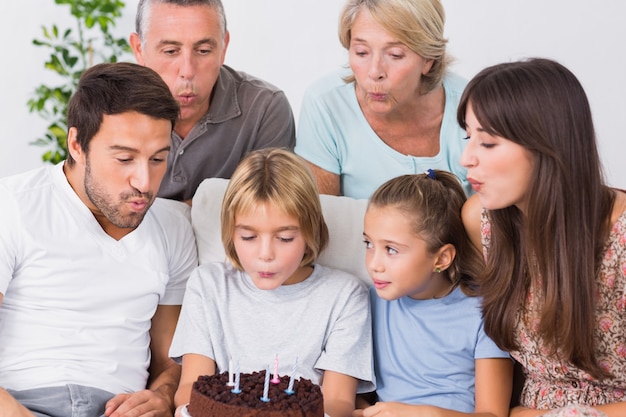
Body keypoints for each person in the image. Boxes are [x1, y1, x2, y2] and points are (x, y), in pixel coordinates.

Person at [0, 62, 198, 417]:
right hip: (21, 404)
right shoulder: (13, 206)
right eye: (124, 158)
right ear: (77, 144)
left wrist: (163, 395)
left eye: (157, 159)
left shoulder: (174, 227)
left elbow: (171, 361)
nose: (144, 182)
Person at [459, 58, 626, 417]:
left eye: (486, 142)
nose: (466, 158)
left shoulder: (621, 239)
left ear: (546, 145)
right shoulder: (481, 221)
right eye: (467, 136)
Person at [169, 148, 374, 417]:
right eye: (248, 237)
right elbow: (189, 389)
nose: (265, 255)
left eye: (285, 238)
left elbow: (338, 403)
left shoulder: (345, 296)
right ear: (231, 233)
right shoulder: (209, 285)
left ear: (310, 231)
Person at [356, 171, 512, 417]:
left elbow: (493, 414)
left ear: (441, 258)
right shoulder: (368, 303)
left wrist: (420, 414)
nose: (374, 263)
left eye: (391, 249)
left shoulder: (485, 312)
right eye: (369, 244)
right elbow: (359, 395)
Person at [294, 0, 469, 199]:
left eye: (395, 55)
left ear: (428, 59)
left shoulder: (472, 105)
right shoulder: (325, 104)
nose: (375, 72)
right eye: (361, 52)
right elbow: (319, 219)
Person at [130, 0, 296, 203]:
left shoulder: (264, 107)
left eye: (203, 51)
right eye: (171, 51)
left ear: (224, 47)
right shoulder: (109, 111)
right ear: (139, 49)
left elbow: (269, 210)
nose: (187, 71)